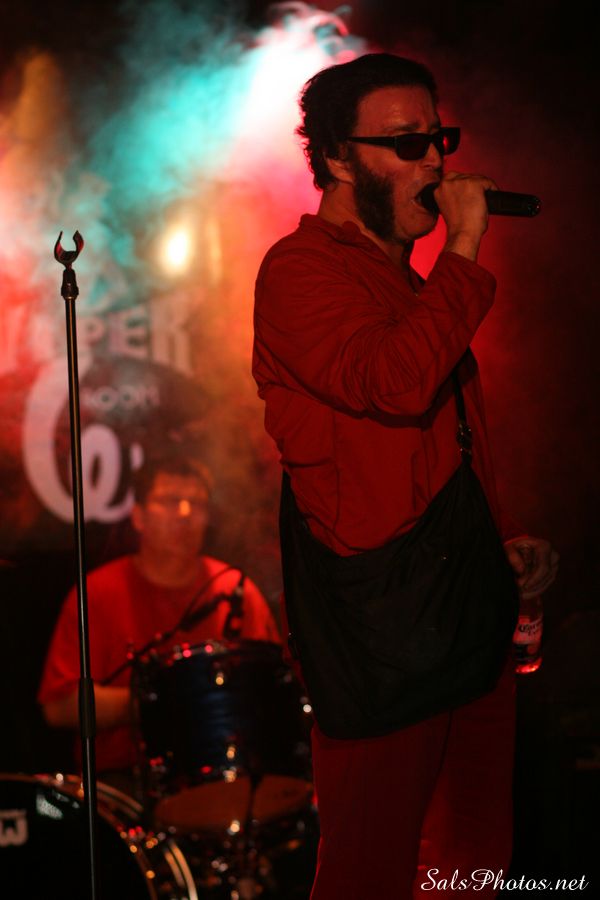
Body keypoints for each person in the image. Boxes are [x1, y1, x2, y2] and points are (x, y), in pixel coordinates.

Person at [252, 53, 559, 898]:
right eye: (406, 143)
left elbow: (439, 444)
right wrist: (463, 244)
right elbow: (396, 384)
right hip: (383, 631)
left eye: (438, 139)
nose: (434, 162)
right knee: (370, 872)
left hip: (464, 608)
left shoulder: (413, 286)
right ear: (338, 158)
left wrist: (500, 540)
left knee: (472, 866)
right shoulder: (299, 271)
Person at [38, 454, 280, 786]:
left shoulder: (235, 590)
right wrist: (163, 701)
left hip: (226, 777)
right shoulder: (96, 594)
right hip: (124, 783)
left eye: (197, 503)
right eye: (170, 501)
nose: (185, 513)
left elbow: (273, 688)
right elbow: (59, 707)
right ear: (138, 516)